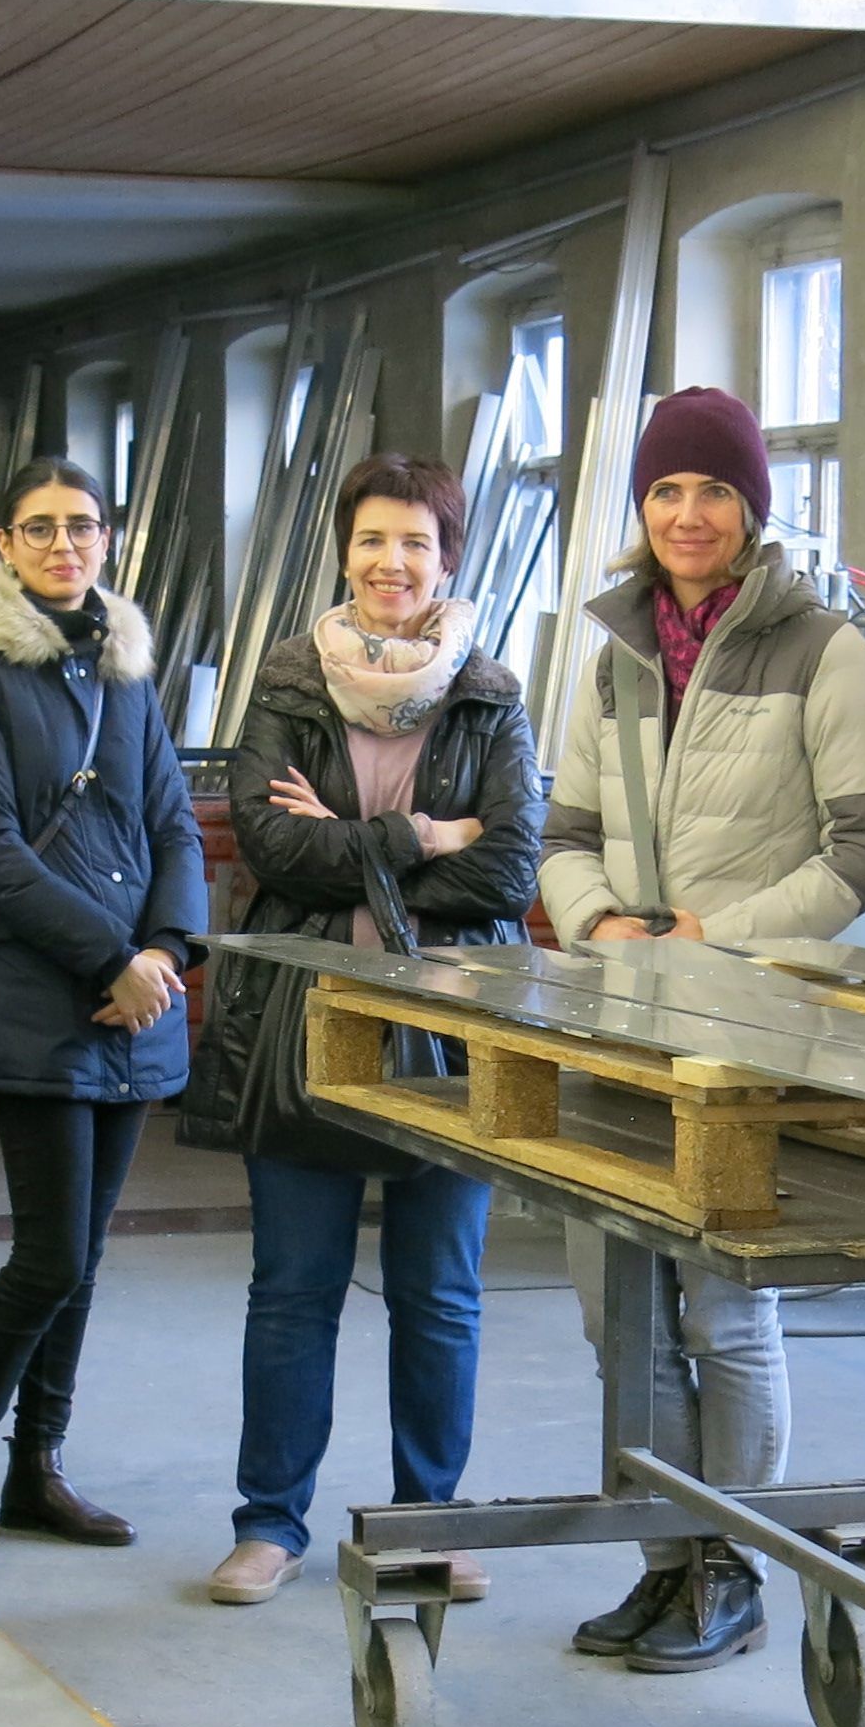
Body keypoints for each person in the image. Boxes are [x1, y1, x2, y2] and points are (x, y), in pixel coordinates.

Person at [536, 385, 865, 1674]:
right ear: (643, 509)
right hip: (620, 1011)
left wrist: (718, 939)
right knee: (611, 1307)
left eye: (714, 492)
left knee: (719, 1306)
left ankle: (732, 1562)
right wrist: (602, 931)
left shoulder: (822, 649)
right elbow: (566, 832)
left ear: (753, 508)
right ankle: (665, 1555)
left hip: (743, 1024)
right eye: (666, 492)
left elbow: (864, 850)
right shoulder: (612, 654)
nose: (688, 515)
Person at [197, 453, 543, 1606]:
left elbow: (507, 862)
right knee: (291, 1286)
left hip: (449, 1031)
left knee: (438, 1290)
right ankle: (269, 1524)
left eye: (416, 545)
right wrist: (417, 837)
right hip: (304, 1019)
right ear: (343, 552)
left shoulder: (488, 694)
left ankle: (427, 1521)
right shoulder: (290, 684)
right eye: (373, 541)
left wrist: (364, 839)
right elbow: (267, 845)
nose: (392, 563)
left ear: (449, 561)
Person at [0, 458, 206, 1567]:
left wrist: (168, 949)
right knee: (49, 1253)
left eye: (82, 526)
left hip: (139, 999)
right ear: (4, 542)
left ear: (109, 539)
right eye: (40, 529)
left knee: (83, 1256)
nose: (63, 546)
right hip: (43, 992)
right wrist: (109, 957)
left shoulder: (126, 666)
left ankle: (40, 1468)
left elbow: (173, 817)